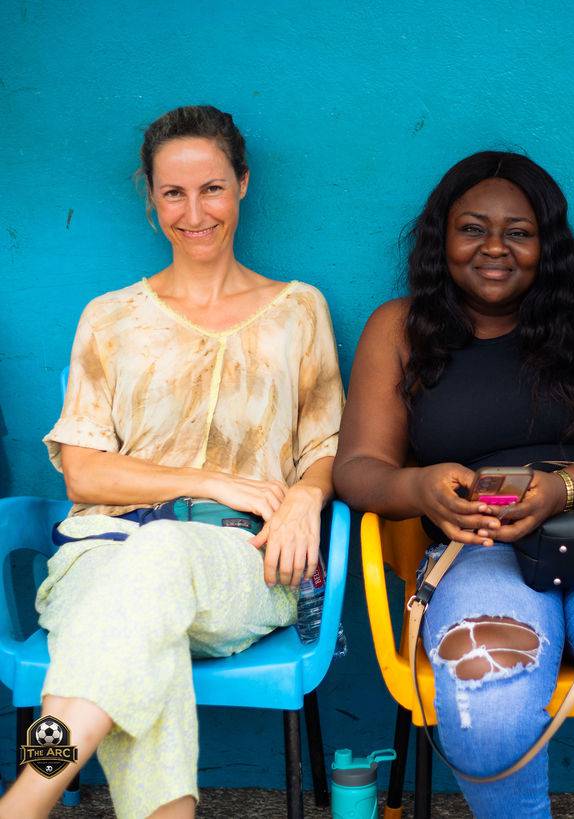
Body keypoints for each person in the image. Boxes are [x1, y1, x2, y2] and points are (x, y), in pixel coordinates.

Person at [333, 151, 574, 817]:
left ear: (548, 244)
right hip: (481, 545)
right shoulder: (398, 329)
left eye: (519, 232)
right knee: (489, 698)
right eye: (472, 229)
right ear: (440, 238)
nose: (494, 248)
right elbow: (359, 466)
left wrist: (565, 487)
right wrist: (419, 488)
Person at [0, 105, 343, 819]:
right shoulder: (111, 317)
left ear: (243, 184)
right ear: (151, 197)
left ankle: (29, 792)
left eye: (211, 188)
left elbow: (324, 445)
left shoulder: (297, 309)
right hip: (97, 551)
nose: (194, 213)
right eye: (173, 193)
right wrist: (210, 478)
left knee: (146, 575)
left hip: (244, 559)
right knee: (137, 631)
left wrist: (306, 498)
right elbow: (83, 473)